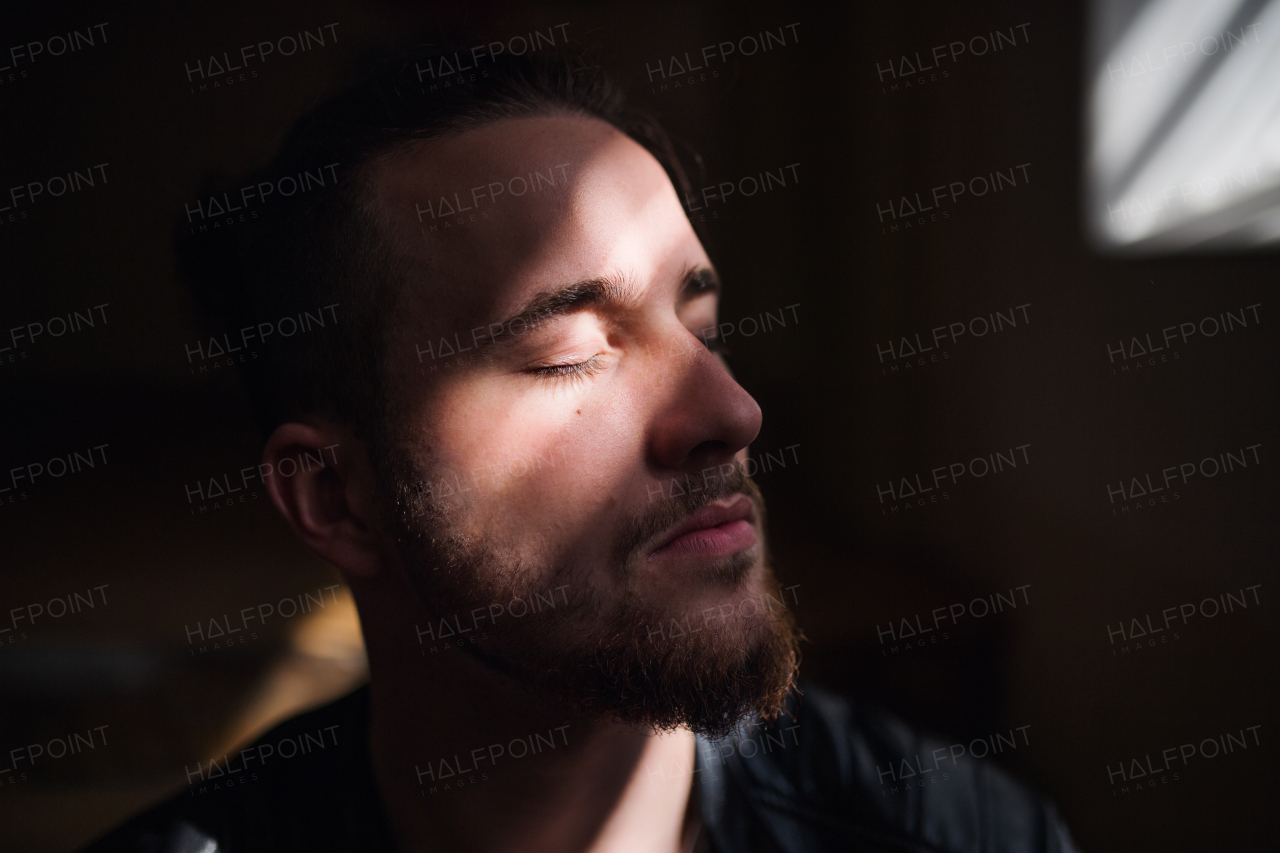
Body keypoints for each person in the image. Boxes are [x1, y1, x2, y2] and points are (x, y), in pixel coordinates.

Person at [84, 45, 1077, 853]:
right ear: (336, 496)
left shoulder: (960, 832)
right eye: (567, 354)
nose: (731, 411)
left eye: (702, 324)